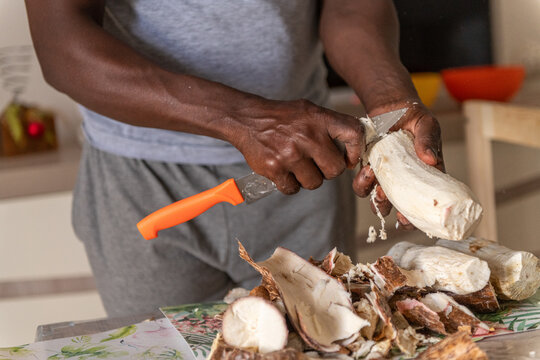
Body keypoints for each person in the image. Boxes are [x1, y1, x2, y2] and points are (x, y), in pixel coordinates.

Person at [25, 0, 444, 317]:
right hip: (140, 179)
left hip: (307, 167)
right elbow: (62, 42)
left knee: (326, 343)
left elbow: (353, 7)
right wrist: (246, 120)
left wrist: (390, 97)